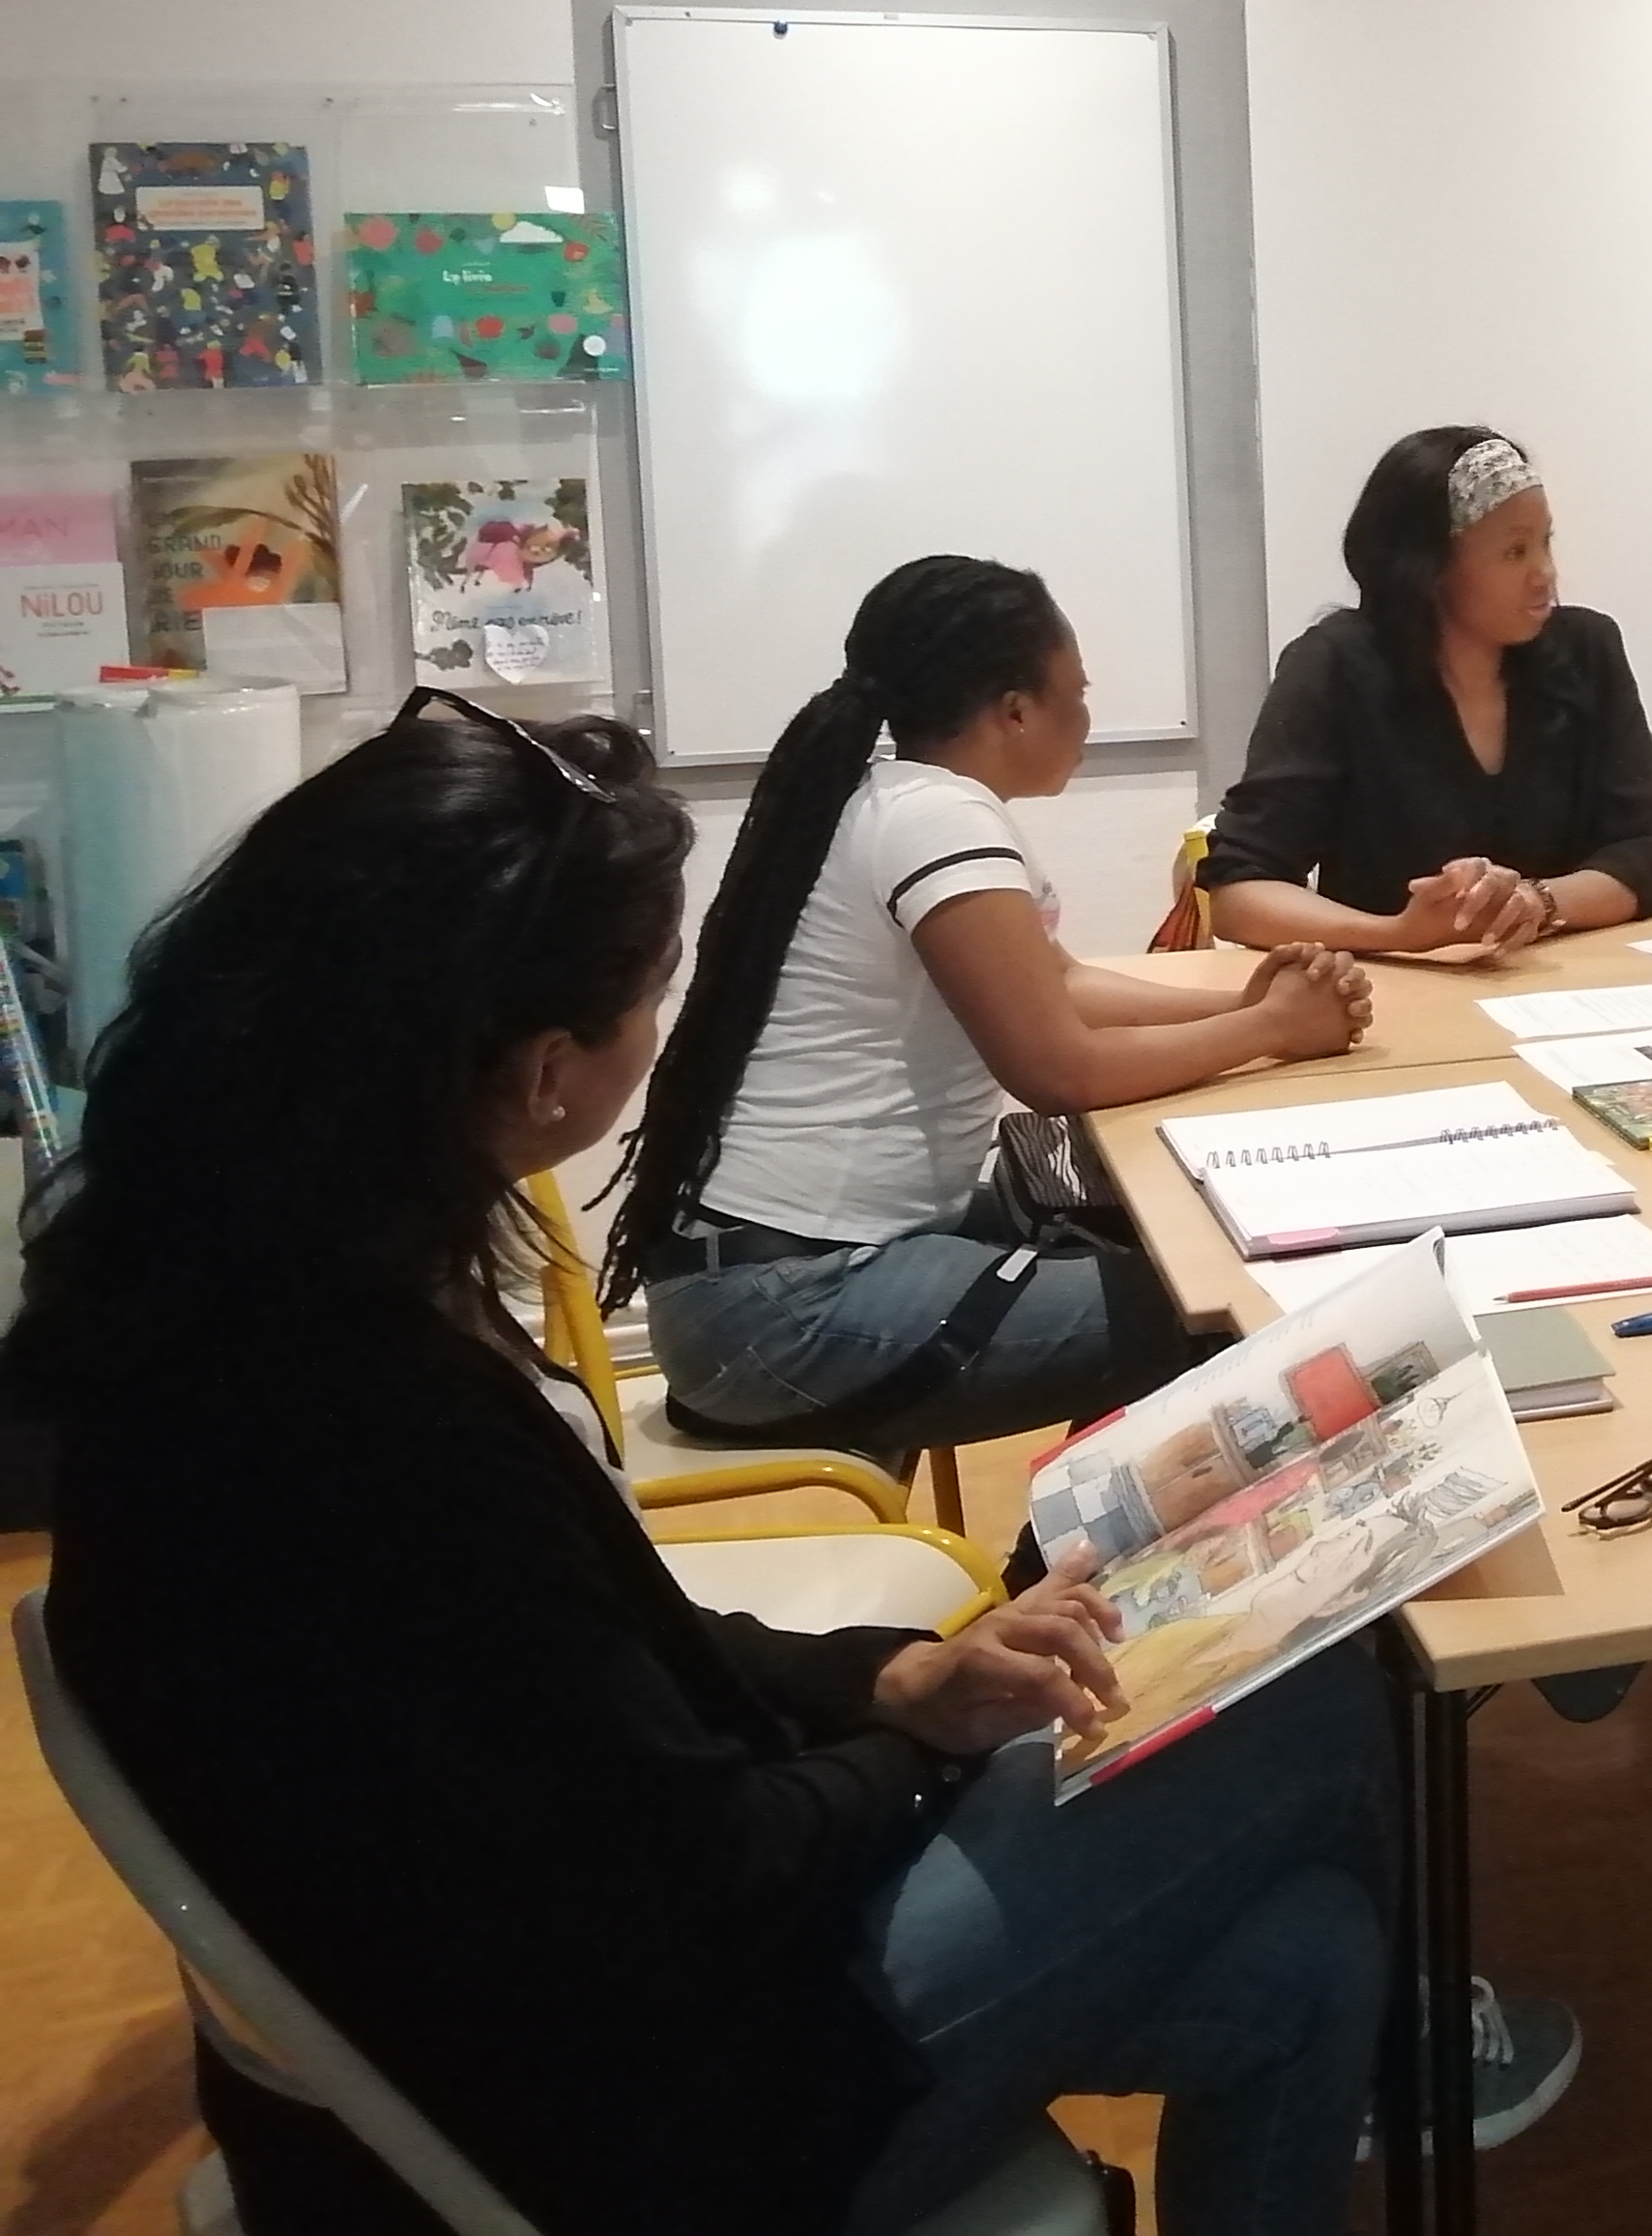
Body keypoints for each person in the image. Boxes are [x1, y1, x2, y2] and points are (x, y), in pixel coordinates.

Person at [0, 695, 1395, 2236]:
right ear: (545, 1072)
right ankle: (1431, 2052)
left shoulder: (232, 1300)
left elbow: (586, 1664)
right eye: (651, 996)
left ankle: (1398, 2037)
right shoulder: (370, 1419)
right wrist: (923, 1756)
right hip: (643, 2117)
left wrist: (892, 1680)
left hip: (528, 2014)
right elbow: (702, 1867)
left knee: (1310, 1957)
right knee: (1323, 1699)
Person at [614, 555, 1374, 1457]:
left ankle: (1076, 1529)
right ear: (1015, 711)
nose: (1087, 717)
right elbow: (1057, 1072)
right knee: (1219, 1313)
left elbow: (1060, 984)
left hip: (757, 1277)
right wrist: (1270, 1028)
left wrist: (1240, 1007)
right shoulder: (939, 819)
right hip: (786, 1305)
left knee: (1156, 1236)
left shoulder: (899, 799)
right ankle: (1062, 1544)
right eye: (1076, 694)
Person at [1203, 425, 1652, 952]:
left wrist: (1536, 903)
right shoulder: (1335, 665)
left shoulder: (1587, 651)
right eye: (1514, 552)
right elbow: (1240, 892)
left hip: (1568, 978)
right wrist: (1397, 934)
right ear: (1429, 567)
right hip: (1391, 980)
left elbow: (1644, 855)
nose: (1545, 574)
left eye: (1545, 543)